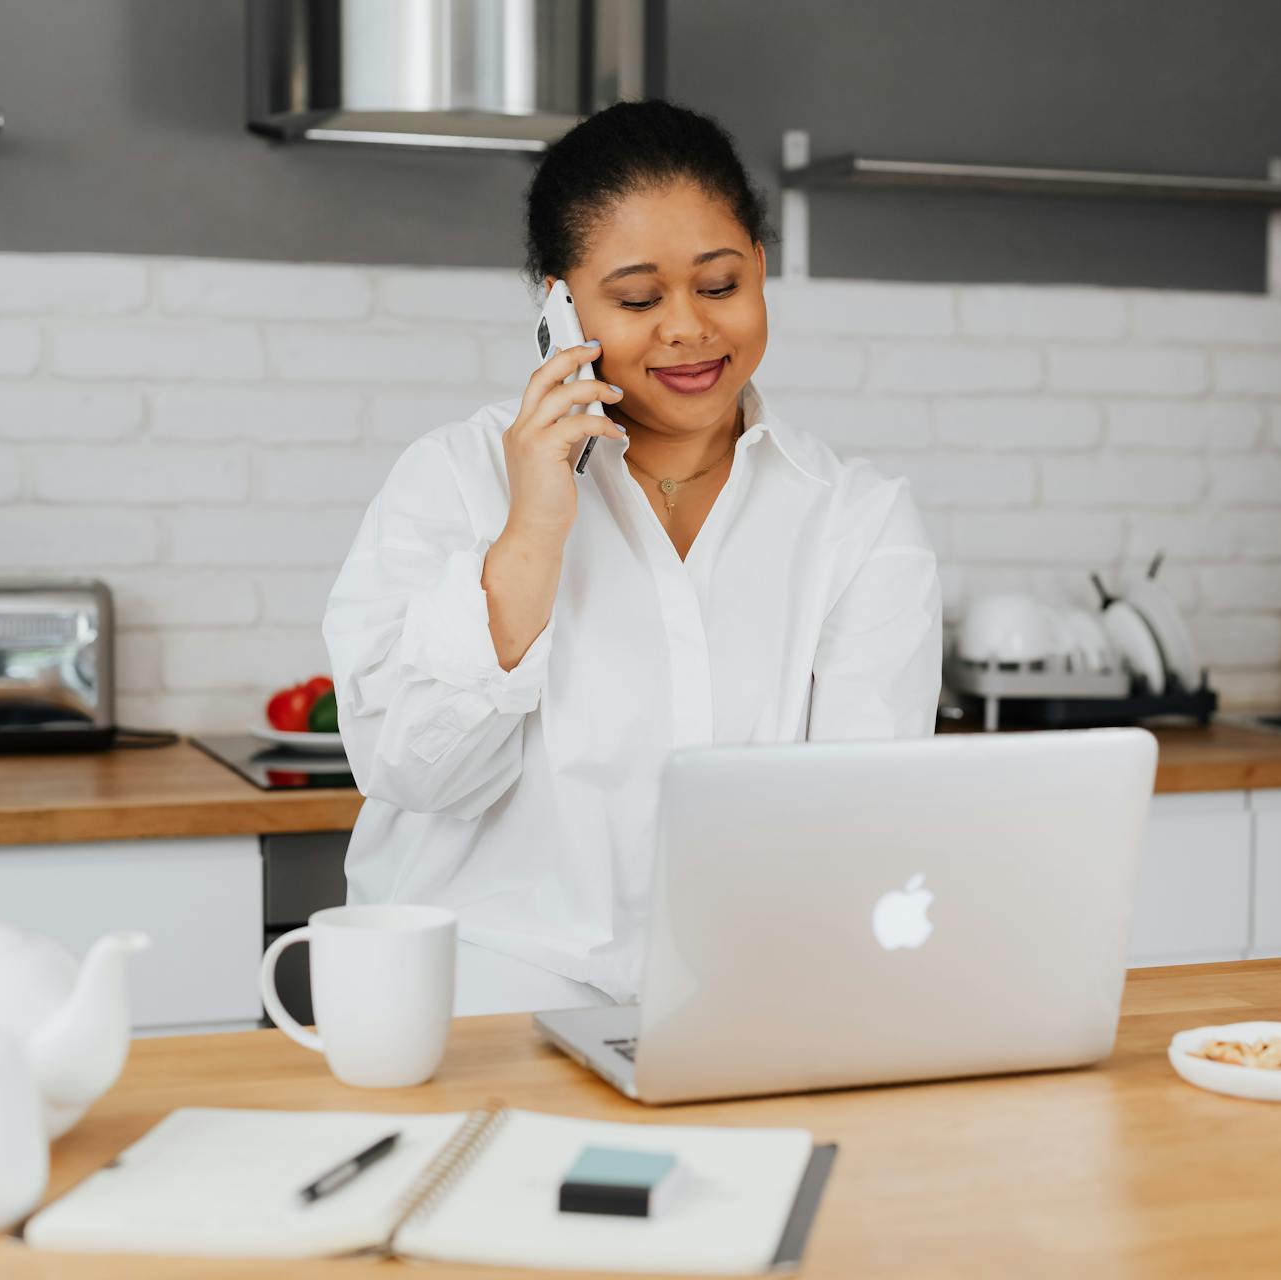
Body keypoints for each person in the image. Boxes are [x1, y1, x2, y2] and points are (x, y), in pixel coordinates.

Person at [321, 99, 943, 1015]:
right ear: (560, 307)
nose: (689, 328)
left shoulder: (858, 520)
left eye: (721, 286)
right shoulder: (454, 478)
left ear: (762, 271)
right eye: (639, 299)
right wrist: (534, 525)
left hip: (733, 1006)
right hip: (479, 998)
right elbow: (417, 772)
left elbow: (858, 826)